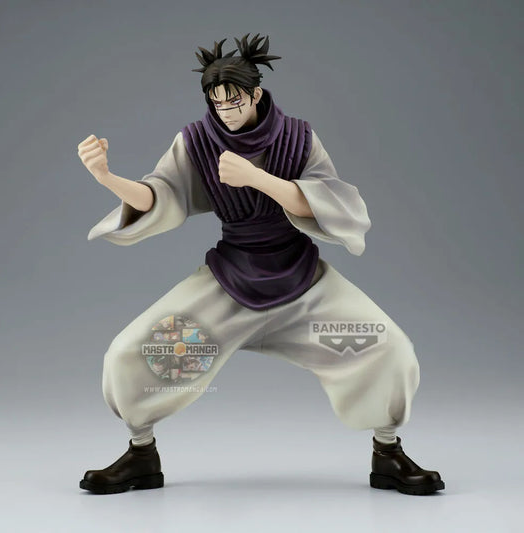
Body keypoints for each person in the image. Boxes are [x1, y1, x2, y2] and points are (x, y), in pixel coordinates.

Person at [77, 34, 444, 496]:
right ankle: (140, 454)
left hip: (304, 288)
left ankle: (387, 453)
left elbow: (326, 201)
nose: (225, 112)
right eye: (216, 103)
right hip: (229, 284)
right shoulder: (197, 141)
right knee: (132, 352)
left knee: (387, 347)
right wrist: (108, 178)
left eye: (234, 101)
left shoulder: (298, 137)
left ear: (255, 94)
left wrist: (257, 178)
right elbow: (161, 195)